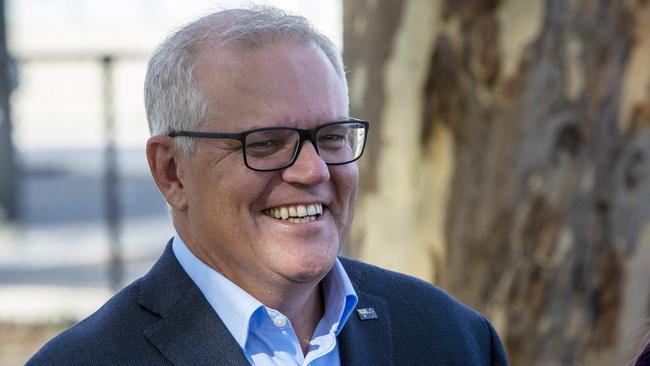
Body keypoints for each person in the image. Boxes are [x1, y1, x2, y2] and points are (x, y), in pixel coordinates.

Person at [28, 6, 508, 365]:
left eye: (333, 137)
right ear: (172, 172)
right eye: (266, 144)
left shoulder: (453, 338)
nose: (313, 170)